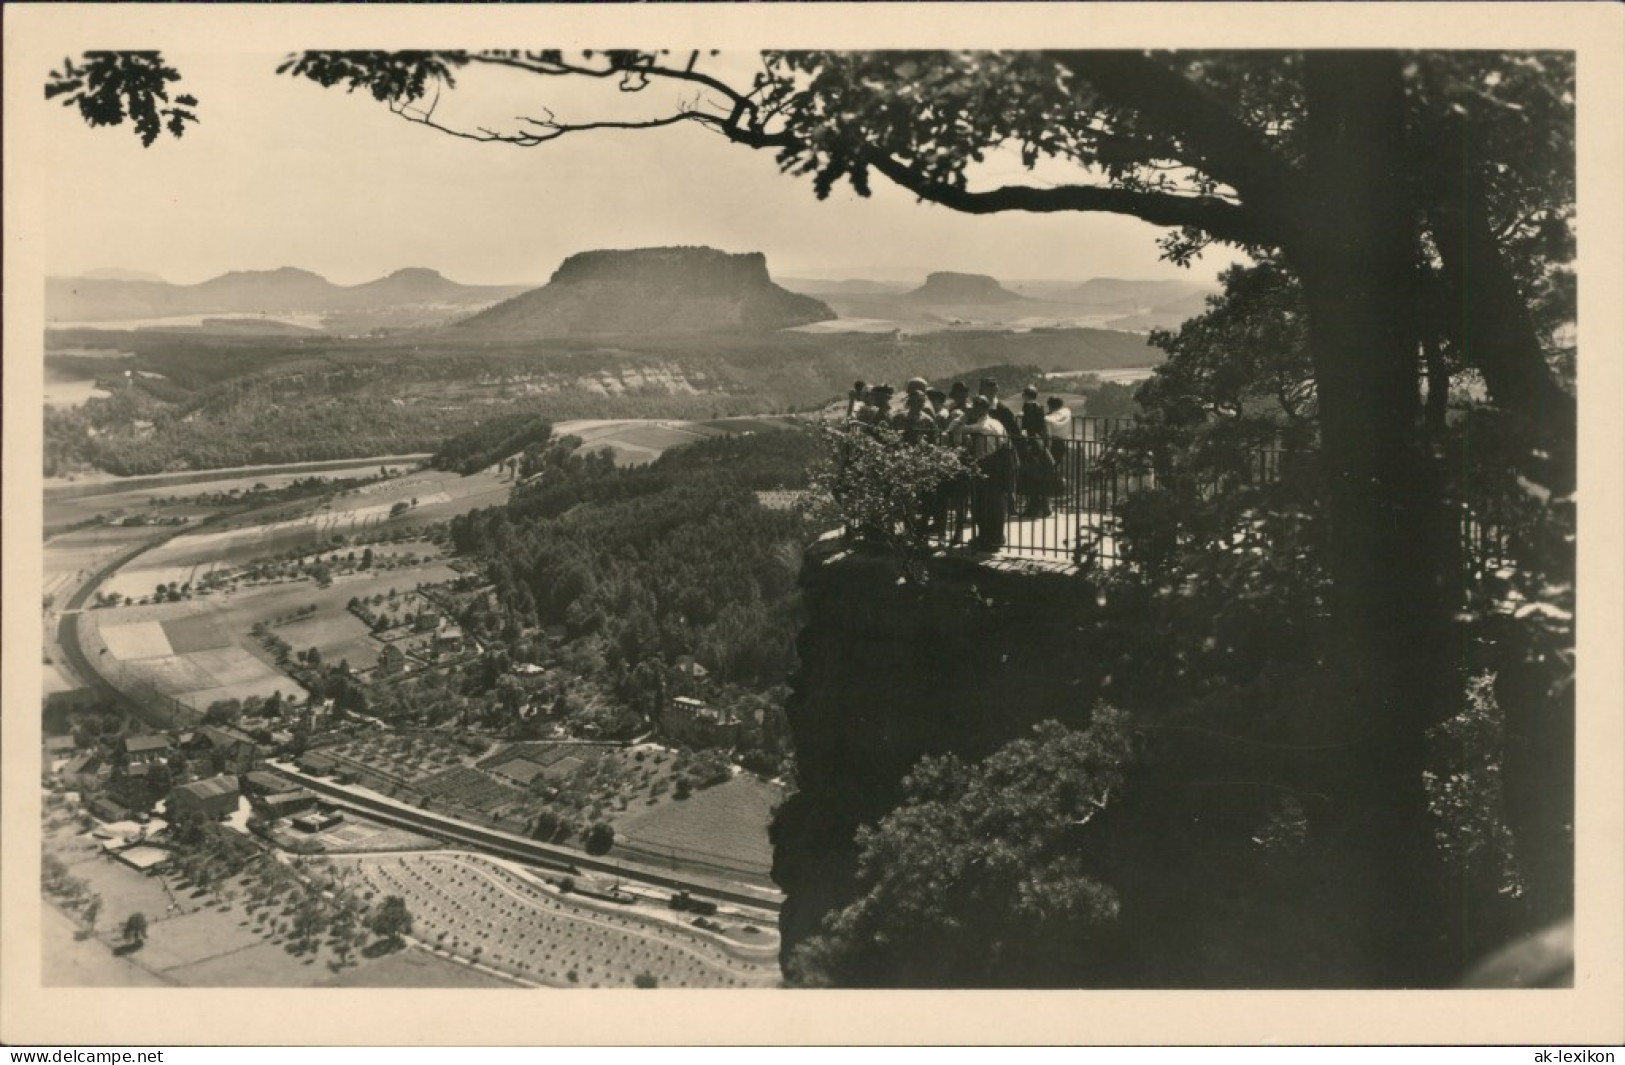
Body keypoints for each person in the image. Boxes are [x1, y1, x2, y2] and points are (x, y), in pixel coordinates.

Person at [956, 395, 1012, 551]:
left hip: (986, 464)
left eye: (974, 407)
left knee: (982, 504)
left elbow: (955, 429)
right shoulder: (997, 423)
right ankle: (995, 537)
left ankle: (987, 538)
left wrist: (964, 416)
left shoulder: (982, 426)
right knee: (995, 503)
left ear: (980, 409)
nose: (972, 409)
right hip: (998, 465)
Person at [1017, 385, 1055, 518]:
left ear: (1025, 395)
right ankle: (1044, 507)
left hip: (1032, 442)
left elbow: (1027, 426)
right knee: (1040, 475)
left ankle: (1033, 508)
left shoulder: (1027, 406)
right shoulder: (1040, 407)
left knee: (1031, 476)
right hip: (1039, 441)